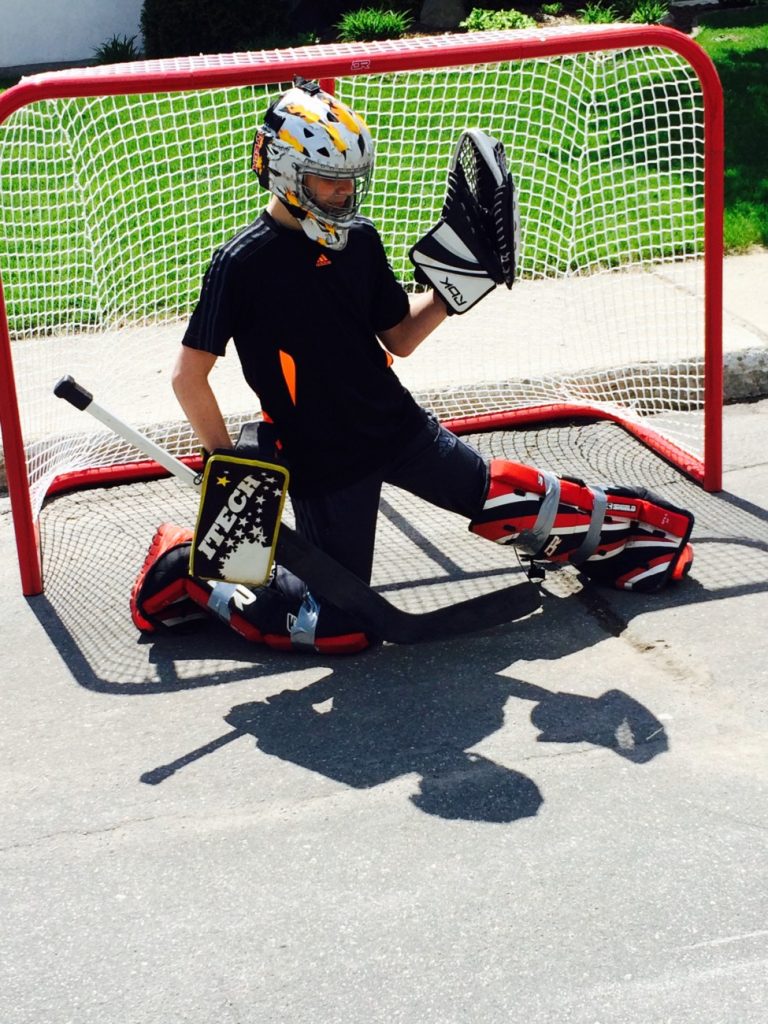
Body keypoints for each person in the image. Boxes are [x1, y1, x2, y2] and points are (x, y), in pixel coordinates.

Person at [131, 79, 695, 654]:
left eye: (351, 182)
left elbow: (398, 336)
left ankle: (631, 537)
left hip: (397, 428)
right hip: (324, 463)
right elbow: (188, 376)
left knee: (504, 498)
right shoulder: (242, 263)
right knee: (336, 627)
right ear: (280, 169)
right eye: (328, 181)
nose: (342, 196)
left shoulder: (360, 240)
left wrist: (455, 286)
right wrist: (228, 465)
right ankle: (189, 563)